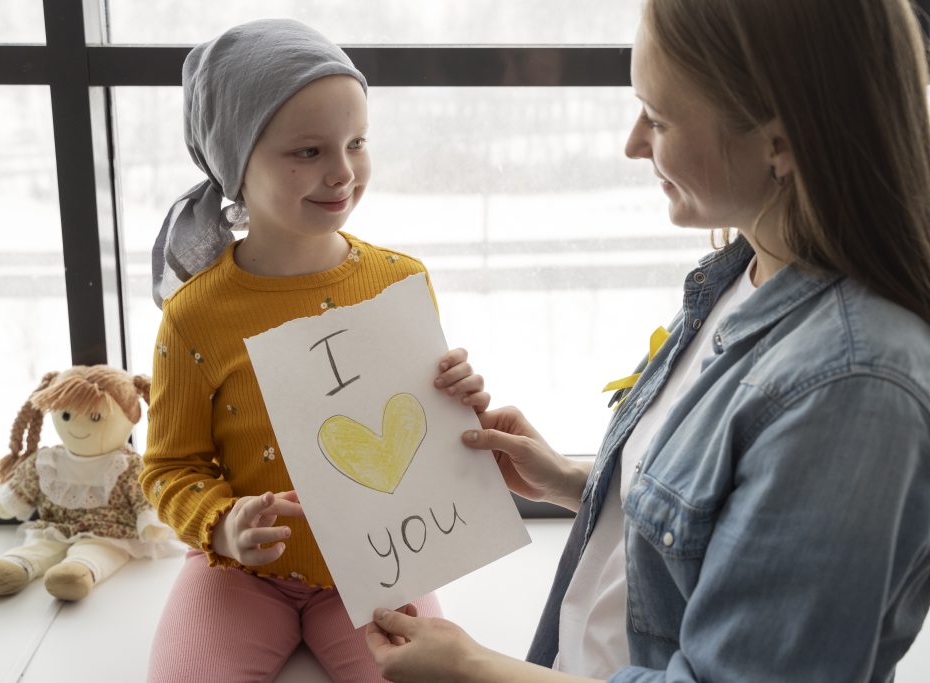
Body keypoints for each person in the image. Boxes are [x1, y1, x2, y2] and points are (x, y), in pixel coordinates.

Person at [366, 0, 930, 680]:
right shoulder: (741, 273)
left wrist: (473, 668)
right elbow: (724, 527)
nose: (633, 142)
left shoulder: (852, 388)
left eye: (658, 118)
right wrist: (579, 482)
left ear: (779, 141)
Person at [140, 19, 489, 683]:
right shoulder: (195, 316)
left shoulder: (399, 282)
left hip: (383, 559)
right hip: (239, 571)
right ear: (235, 163)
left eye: (356, 142)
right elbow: (168, 467)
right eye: (306, 151)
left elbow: (422, 434)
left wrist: (461, 401)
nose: (341, 172)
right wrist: (220, 525)